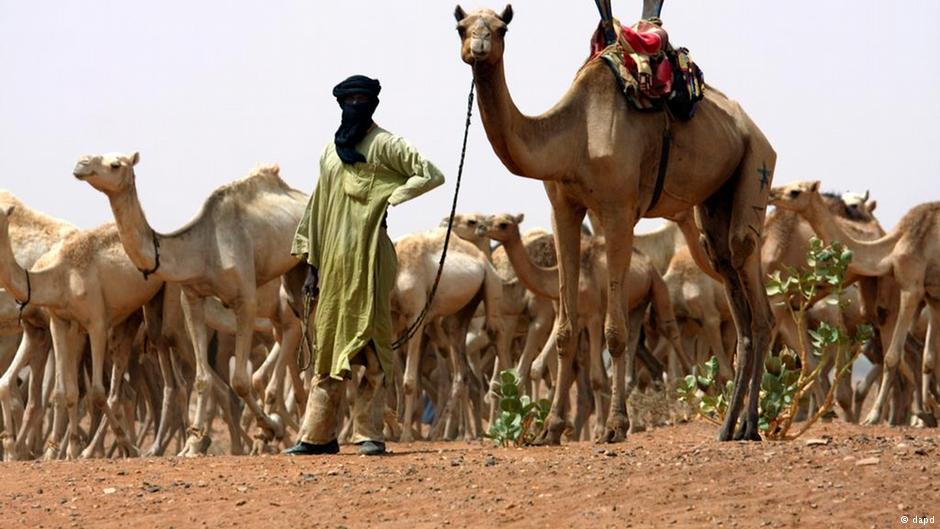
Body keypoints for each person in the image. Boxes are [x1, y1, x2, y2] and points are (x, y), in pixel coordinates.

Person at [285, 75, 445, 456]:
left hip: (371, 258)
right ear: (340, 104)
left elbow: (430, 173)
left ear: (373, 103)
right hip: (333, 264)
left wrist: (389, 198)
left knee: (371, 344)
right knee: (328, 346)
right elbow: (317, 207)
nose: (355, 104)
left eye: (362, 98)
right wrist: (312, 267)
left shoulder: (386, 144)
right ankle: (317, 436)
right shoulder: (328, 153)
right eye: (349, 98)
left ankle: (369, 434)